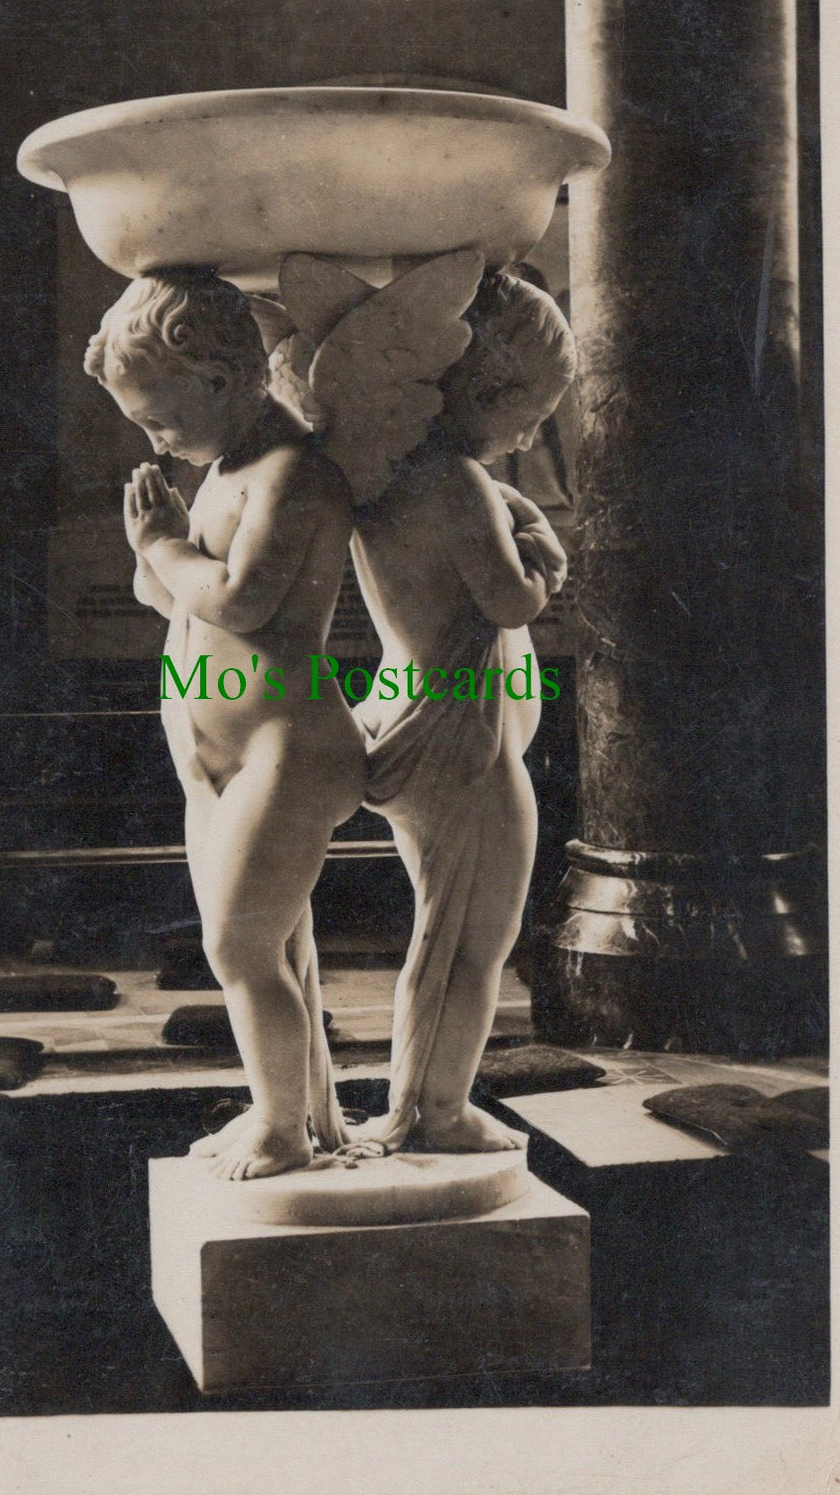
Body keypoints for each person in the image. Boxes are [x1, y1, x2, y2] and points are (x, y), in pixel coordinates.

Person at [84, 268, 365, 1180]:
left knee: (239, 945)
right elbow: (166, 597)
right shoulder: (221, 473)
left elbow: (241, 602)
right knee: (269, 945)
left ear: (216, 379)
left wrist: (164, 546)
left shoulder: (295, 473)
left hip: (289, 746)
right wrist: (153, 549)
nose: (155, 442)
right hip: (218, 757)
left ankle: (283, 1128)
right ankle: (299, 1114)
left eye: (160, 421)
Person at [347, 270, 573, 1153]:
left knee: (446, 932)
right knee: (470, 943)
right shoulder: (458, 483)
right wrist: (546, 554)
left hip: (427, 724)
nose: (530, 435)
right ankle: (432, 1112)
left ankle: (422, 1104)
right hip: (460, 745)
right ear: (487, 389)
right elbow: (511, 600)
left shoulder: (390, 479)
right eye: (529, 412)